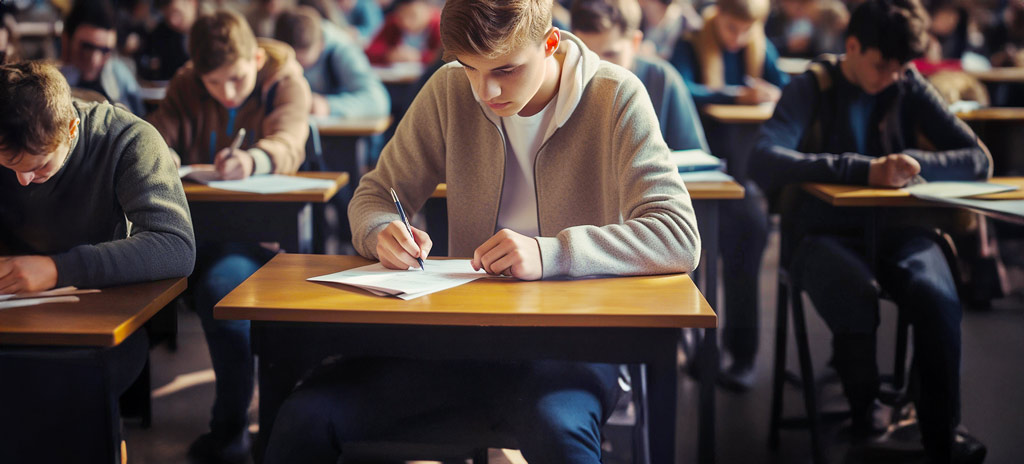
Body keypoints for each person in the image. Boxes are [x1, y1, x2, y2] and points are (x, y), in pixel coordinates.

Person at [262, 0, 701, 462]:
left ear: (550, 43)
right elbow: (373, 195)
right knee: (305, 416)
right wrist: (381, 231)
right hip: (459, 339)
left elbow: (677, 236)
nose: (485, 88)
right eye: (469, 67)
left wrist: (551, 254)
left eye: (506, 69)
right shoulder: (450, 89)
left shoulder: (615, 95)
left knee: (559, 433)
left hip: (573, 346)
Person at [751, 1, 989, 462]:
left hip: (899, 230)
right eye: (882, 65)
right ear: (852, 46)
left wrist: (911, 168)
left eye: (901, 68)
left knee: (936, 295)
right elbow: (763, 159)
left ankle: (941, 434)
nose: (892, 76)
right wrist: (865, 171)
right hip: (822, 237)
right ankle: (866, 425)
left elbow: (977, 159)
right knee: (854, 291)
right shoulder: (812, 86)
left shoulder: (905, 80)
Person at [0, 60, 195, 463]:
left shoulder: (128, 139)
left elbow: (175, 245)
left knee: (59, 386)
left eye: (37, 169)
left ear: (70, 130)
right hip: (10, 315)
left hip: (96, 327)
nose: (22, 182)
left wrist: (57, 269)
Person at [147, 9, 311, 464]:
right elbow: (157, 140)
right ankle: (235, 426)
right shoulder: (186, 84)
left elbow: (291, 139)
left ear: (256, 57)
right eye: (213, 84)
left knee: (228, 290)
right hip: (207, 235)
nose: (227, 92)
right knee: (219, 288)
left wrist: (255, 160)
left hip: (273, 241)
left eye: (236, 79)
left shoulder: (285, 80)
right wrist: (165, 152)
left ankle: (249, 427)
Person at [671, 0, 790, 389]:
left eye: (745, 30)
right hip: (696, 174)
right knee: (688, 250)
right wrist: (734, 95)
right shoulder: (691, 43)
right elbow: (684, 89)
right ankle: (697, 349)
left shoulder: (762, 47)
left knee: (750, 234)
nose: (737, 38)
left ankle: (743, 355)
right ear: (716, 16)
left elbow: (787, 93)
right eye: (730, 28)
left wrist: (770, 93)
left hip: (743, 176)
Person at [571, 0, 708, 152]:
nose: (597, 68)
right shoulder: (564, 84)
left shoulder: (663, 79)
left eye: (610, 54)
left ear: (635, 43)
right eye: (586, 55)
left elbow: (695, 158)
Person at [275, 6, 390, 117]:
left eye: (302, 61)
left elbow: (378, 101)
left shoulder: (342, 48)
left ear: (321, 45)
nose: (298, 67)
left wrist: (328, 106)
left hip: (341, 133)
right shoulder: (276, 50)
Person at [59, 0, 145, 114]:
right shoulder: (56, 80)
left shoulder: (119, 76)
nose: (95, 60)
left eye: (105, 50)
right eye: (86, 47)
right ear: (67, 40)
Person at [138, 0, 200, 81]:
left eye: (176, 13)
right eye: (167, 17)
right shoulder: (163, 34)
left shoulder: (214, 29)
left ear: (192, 2)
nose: (173, 22)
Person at [364, 0, 441, 65]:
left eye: (412, 16)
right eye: (401, 16)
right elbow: (370, 51)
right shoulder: (393, 23)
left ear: (429, 10)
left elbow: (446, 56)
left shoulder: (441, 26)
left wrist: (420, 57)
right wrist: (388, 55)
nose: (406, 22)